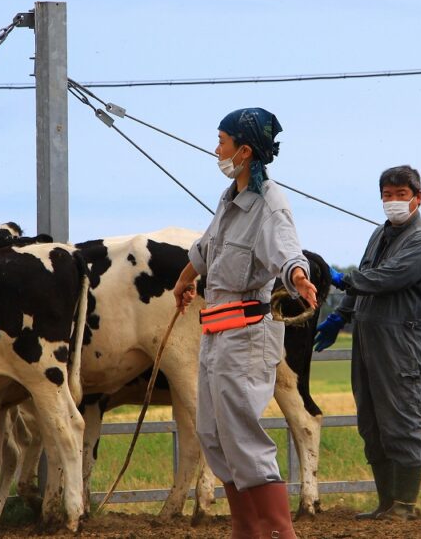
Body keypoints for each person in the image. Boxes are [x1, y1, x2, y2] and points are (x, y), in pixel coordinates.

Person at [172, 107, 317, 539]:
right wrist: (185, 280)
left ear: (245, 150)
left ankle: (278, 532)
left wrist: (298, 277)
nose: (216, 149)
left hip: (248, 334)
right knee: (214, 434)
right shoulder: (229, 197)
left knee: (243, 437)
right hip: (217, 334)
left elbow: (287, 250)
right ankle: (246, 531)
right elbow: (206, 246)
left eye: (222, 141)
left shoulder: (271, 203)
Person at [313, 165, 421, 521]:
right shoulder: (379, 234)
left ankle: (404, 505)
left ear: (418, 197)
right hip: (369, 342)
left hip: (401, 345)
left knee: (402, 423)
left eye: (401, 195)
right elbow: (368, 273)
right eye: (388, 195)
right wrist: (341, 315)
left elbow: (385, 278)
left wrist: (342, 281)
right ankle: (386, 503)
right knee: (372, 426)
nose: (394, 202)